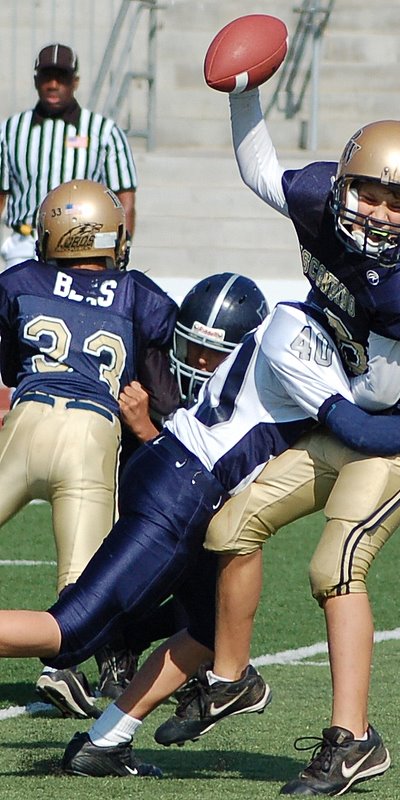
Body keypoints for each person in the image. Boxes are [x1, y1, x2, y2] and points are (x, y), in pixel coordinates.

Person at [133, 87, 400, 796]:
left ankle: (353, 740)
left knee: (334, 565)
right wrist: (243, 94)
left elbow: (372, 404)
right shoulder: (315, 204)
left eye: (399, 206)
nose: (380, 214)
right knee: (230, 526)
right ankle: (229, 679)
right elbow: (258, 168)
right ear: (341, 190)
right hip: (345, 415)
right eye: (369, 196)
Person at [0, 289, 400, 777]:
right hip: (185, 492)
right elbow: (362, 432)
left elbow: (336, 436)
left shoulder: (292, 321)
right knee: (69, 630)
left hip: (172, 472)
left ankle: (108, 740)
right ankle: (231, 681)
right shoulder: (304, 344)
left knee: (211, 628)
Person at [43, 270, 270, 716]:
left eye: (214, 355)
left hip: (198, 509)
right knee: (177, 603)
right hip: (144, 508)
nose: (201, 363)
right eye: (194, 349)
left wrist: (150, 430)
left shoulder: (251, 395)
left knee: (208, 613)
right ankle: (79, 657)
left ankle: (122, 645)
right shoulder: (151, 372)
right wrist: (146, 431)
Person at [0, 178, 177, 717]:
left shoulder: (20, 280)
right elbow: (160, 393)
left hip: (25, 421)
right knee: (80, 578)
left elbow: (9, 366)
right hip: (92, 432)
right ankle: (61, 669)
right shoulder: (138, 295)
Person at [0, 43, 137, 269]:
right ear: (36, 81)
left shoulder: (103, 131)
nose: (53, 85)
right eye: (46, 77)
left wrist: (123, 248)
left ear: (75, 81)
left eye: (61, 77)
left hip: (84, 244)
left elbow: (124, 197)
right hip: (26, 242)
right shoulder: (11, 130)